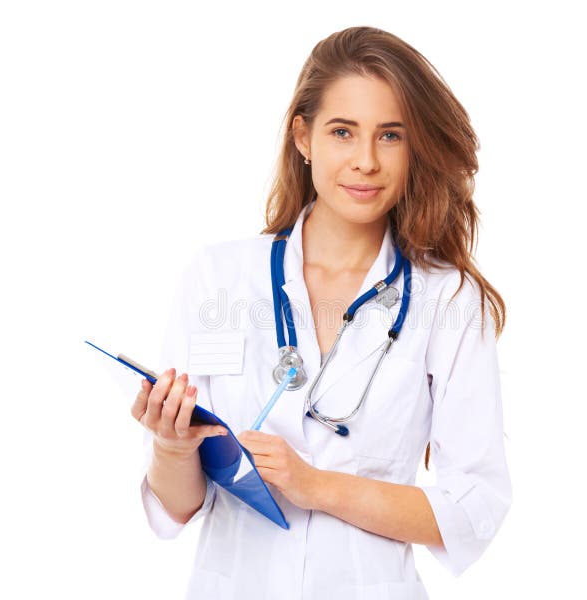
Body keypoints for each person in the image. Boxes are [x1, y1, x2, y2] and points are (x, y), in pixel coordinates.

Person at [131, 25, 511, 599]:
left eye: (390, 136)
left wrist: (316, 486)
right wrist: (173, 447)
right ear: (303, 137)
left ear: (416, 148)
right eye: (342, 132)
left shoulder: (448, 300)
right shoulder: (220, 281)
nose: (365, 161)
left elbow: (472, 509)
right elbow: (180, 506)